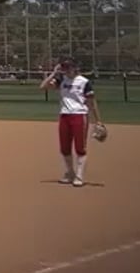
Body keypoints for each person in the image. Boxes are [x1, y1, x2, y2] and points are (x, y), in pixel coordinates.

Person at [41, 57, 101, 186]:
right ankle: (70, 173)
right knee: (64, 148)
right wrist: (53, 73)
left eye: (69, 67)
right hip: (64, 116)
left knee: (80, 147)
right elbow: (43, 86)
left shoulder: (84, 82)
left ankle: (79, 176)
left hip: (79, 115)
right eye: (64, 67)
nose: (67, 70)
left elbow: (91, 102)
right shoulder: (61, 80)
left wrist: (98, 121)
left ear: (75, 68)